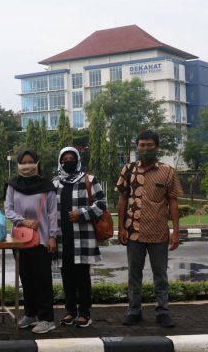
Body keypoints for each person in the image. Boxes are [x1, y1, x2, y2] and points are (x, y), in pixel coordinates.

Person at [116, 129, 183, 328]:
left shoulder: (167, 171)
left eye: (149, 145)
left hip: (159, 232)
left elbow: (173, 202)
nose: (145, 149)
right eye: (142, 145)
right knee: (133, 274)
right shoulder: (128, 170)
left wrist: (176, 231)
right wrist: (120, 228)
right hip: (133, 231)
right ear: (136, 147)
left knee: (160, 275)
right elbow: (121, 200)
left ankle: (163, 312)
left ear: (157, 147)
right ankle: (134, 311)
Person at [4, 149, 58, 334]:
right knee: (26, 277)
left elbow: (52, 213)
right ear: (18, 164)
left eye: (30, 162)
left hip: (42, 240)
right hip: (20, 240)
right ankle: (30, 314)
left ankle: (47, 318)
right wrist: (23, 220)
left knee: (42, 279)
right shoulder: (12, 185)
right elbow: (8, 210)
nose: (26, 166)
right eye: (23, 162)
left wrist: (53, 236)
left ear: (37, 163)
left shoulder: (46, 186)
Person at [52, 146, 107, 328]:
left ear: (78, 160)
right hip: (62, 237)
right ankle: (70, 311)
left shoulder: (89, 180)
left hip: (82, 237)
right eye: (65, 158)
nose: (68, 161)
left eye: (72, 157)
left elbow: (102, 204)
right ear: (60, 161)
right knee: (66, 275)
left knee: (82, 276)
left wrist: (82, 214)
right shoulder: (55, 184)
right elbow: (49, 210)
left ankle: (84, 313)